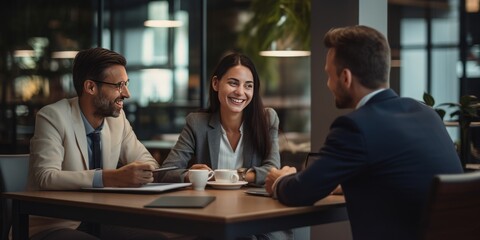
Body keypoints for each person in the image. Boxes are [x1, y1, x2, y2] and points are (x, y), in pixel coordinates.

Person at [265, 25, 464, 240]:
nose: (328, 84)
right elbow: (398, 178)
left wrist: (280, 180)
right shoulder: (427, 114)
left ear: (346, 78)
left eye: (329, 75)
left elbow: (300, 192)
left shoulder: (356, 127)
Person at [27, 47, 189, 240]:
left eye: (126, 84)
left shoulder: (117, 120)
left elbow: (148, 163)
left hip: (101, 220)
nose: (127, 93)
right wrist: (111, 178)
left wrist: (143, 173)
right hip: (54, 225)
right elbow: (46, 177)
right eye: (119, 85)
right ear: (90, 87)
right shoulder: (52, 117)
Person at [158, 52, 291, 240]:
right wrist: (191, 174)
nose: (240, 92)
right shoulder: (197, 123)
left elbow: (272, 169)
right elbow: (165, 172)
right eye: (233, 83)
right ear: (215, 84)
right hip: (211, 215)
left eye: (248, 86)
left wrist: (237, 176)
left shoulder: (267, 119)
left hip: (256, 216)